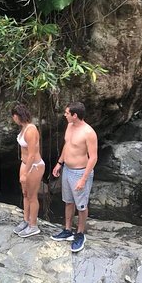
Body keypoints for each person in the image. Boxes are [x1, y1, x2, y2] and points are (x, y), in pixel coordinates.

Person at [51, 102, 98, 253]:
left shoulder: (88, 132)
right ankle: (67, 230)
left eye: (67, 113)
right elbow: (68, 145)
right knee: (68, 201)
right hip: (67, 169)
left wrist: (83, 179)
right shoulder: (70, 126)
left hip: (80, 171)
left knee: (81, 205)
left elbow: (93, 158)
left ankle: (80, 234)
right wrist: (59, 162)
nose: (64, 115)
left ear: (75, 115)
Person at [11, 104, 45, 238]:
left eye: (13, 117)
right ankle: (26, 220)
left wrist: (25, 173)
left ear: (17, 116)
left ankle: (33, 225)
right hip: (25, 163)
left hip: (34, 165)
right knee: (25, 194)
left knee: (32, 196)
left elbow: (32, 154)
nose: (13, 119)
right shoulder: (23, 128)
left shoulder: (31, 130)